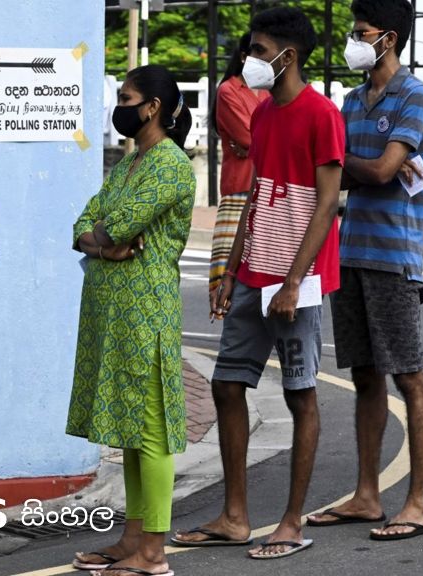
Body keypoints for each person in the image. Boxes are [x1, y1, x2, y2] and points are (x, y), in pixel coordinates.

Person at [171, 6, 344, 560]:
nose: (250, 58)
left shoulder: (322, 114)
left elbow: (326, 204)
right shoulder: (265, 112)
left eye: (260, 49)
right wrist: (230, 269)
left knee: (300, 393)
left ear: (288, 56)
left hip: (299, 280)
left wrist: (294, 280)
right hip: (253, 271)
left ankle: (290, 521)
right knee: (227, 385)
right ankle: (234, 516)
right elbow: (256, 194)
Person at [305, 0, 423, 541]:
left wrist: (344, 166)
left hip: (392, 258)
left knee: (409, 375)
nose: (352, 41)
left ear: (389, 39)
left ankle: (418, 503)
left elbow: (382, 170)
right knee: (364, 375)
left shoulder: (415, 94)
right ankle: (366, 496)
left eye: (361, 33)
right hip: (350, 252)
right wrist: (349, 169)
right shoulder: (351, 101)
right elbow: (336, 175)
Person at [66, 64, 195, 576]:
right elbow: (83, 225)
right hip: (115, 316)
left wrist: (101, 237)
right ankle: (133, 539)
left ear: (152, 107)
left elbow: (115, 224)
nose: (118, 107)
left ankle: (154, 553)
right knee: (130, 432)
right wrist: (101, 245)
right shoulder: (128, 165)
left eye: (125, 98)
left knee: (152, 433)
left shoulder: (170, 165)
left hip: (146, 315)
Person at [209, 32, 270, 302]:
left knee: (260, 275)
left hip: (265, 190)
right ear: (244, 56)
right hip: (239, 191)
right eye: (258, 52)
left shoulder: (268, 92)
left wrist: (257, 145)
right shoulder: (228, 90)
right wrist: (262, 143)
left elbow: (257, 140)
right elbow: (248, 138)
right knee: (231, 284)